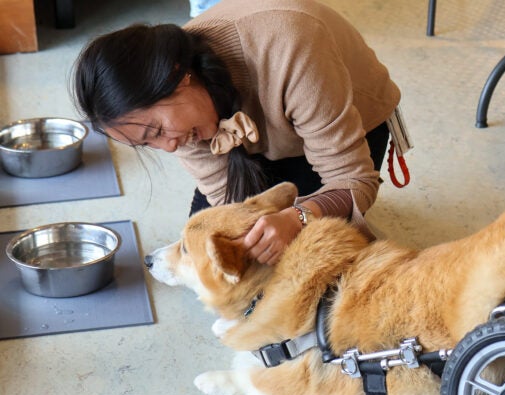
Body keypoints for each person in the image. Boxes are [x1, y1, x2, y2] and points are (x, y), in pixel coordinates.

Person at [72, 0, 401, 265]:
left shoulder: (290, 44)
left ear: (178, 75)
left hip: (353, 126)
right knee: (216, 253)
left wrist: (298, 216)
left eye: (157, 130)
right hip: (267, 145)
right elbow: (226, 202)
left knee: (312, 259)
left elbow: (353, 181)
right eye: (149, 143)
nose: (169, 147)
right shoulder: (174, 110)